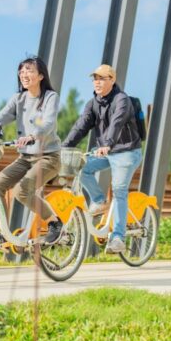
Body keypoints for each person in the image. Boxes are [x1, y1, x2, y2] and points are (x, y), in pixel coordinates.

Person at [62, 64, 143, 254]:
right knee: (82, 169)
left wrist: (107, 144)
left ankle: (118, 238)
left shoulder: (122, 100)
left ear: (112, 80)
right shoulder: (93, 104)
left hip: (127, 151)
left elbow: (117, 123)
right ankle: (99, 201)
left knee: (119, 189)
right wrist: (65, 147)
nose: (97, 82)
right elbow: (81, 126)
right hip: (107, 152)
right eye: (95, 79)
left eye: (101, 79)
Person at [0, 56, 63, 245]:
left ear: (41, 76)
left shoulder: (50, 97)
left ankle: (54, 222)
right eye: (21, 71)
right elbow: (1, 116)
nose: (24, 74)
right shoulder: (18, 99)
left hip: (48, 157)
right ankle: (3, 231)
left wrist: (33, 135)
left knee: (21, 191)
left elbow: (48, 122)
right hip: (25, 158)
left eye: (29, 70)